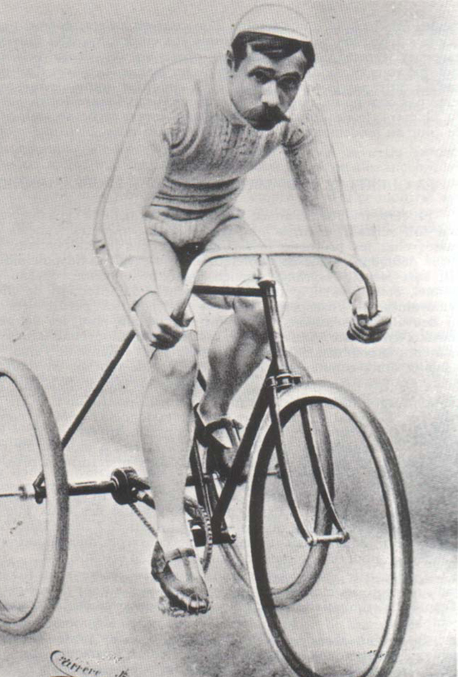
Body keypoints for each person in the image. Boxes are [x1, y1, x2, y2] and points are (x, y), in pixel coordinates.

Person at [93, 3, 391, 615]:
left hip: (216, 225)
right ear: (230, 62)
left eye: (289, 82)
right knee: (175, 356)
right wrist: (148, 300)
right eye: (259, 74)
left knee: (264, 304)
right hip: (144, 228)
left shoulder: (295, 114)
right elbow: (123, 207)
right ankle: (174, 540)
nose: (273, 96)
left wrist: (357, 290)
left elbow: (324, 208)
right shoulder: (179, 95)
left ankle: (217, 409)